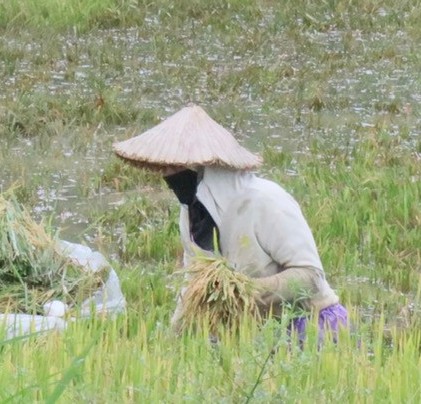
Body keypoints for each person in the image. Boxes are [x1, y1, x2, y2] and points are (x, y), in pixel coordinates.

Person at [112, 104, 348, 346]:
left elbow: (310, 277)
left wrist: (242, 291)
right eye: (167, 168)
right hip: (252, 335)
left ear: (207, 168)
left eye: (179, 166)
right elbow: (194, 285)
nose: (172, 175)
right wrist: (173, 340)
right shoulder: (192, 212)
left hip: (309, 325)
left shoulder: (264, 201)